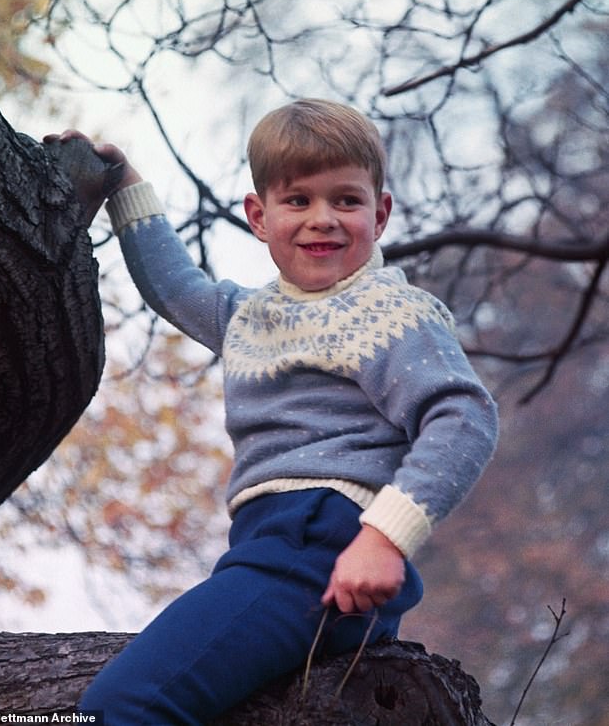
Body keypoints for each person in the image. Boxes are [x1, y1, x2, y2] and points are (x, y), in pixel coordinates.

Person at [45, 99, 498, 725]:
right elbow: (176, 288)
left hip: (325, 543)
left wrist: (384, 537)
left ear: (381, 213)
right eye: (298, 201)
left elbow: (463, 418)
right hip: (272, 547)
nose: (323, 220)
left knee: (123, 706)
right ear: (259, 217)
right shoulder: (249, 317)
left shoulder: (391, 313)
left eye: (346, 201)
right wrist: (125, 187)